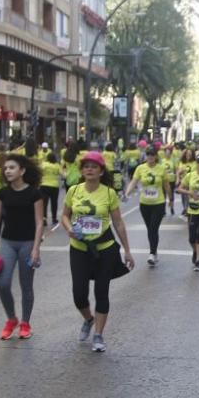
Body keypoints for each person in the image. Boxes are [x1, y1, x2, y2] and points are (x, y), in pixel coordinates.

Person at [61, 151, 135, 352]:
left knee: (101, 292)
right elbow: (64, 216)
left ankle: (99, 335)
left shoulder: (109, 193)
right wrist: (69, 229)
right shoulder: (74, 191)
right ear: (81, 171)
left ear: (101, 171)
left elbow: (118, 222)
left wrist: (127, 250)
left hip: (104, 249)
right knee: (79, 294)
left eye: (94, 167)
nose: (89, 170)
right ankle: (88, 319)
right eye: (86, 166)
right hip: (79, 249)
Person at [0, 154, 44, 340]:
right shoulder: (2, 193)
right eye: (5, 168)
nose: (7, 171)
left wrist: (36, 248)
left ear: (22, 170)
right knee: (4, 283)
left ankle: (25, 323)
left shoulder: (34, 193)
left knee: (26, 286)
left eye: (11, 167)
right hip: (8, 242)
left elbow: (39, 222)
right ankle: (11, 319)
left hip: (27, 243)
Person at [126, 151, 168, 267]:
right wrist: (127, 193)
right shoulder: (140, 168)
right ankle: (154, 250)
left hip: (158, 203)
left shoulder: (161, 169)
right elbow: (133, 182)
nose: (150, 157)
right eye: (148, 155)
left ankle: (152, 253)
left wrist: (171, 199)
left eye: (152, 155)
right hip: (144, 203)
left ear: (155, 157)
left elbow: (166, 185)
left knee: (153, 228)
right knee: (150, 228)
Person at [39, 151, 63, 226]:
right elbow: (62, 174)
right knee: (54, 203)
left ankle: (44, 219)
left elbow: (39, 172)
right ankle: (54, 219)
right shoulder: (57, 165)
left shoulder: (43, 164)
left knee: (44, 204)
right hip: (54, 186)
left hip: (44, 185)